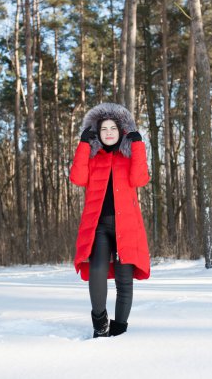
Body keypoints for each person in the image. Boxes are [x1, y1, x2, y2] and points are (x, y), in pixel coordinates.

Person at [69, 102, 150, 338]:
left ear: (122, 130)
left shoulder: (128, 156)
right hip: (99, 226)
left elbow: (140, 179)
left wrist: (138, 145)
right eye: (103, 129)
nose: (109, 133)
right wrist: (84, 145)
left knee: (124, 280)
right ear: (97, 132)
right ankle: (99, 321)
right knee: (97, 271)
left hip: (127, 226)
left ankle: (120, 328)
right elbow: (77, 178)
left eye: (113, 128)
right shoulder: (93, 157)